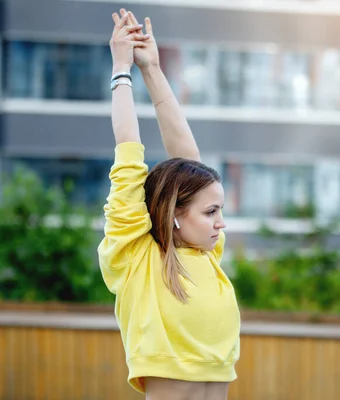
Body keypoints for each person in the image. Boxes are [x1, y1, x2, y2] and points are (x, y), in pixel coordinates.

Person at [97, 9, 240, 400]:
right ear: (176, 214)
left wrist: (153, 70)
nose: (221, 223)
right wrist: (121, 70)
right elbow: (127, 151)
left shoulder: (207, 256)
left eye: (221, 210)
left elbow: (189, 160)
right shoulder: (139, 257)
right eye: (210, 212)